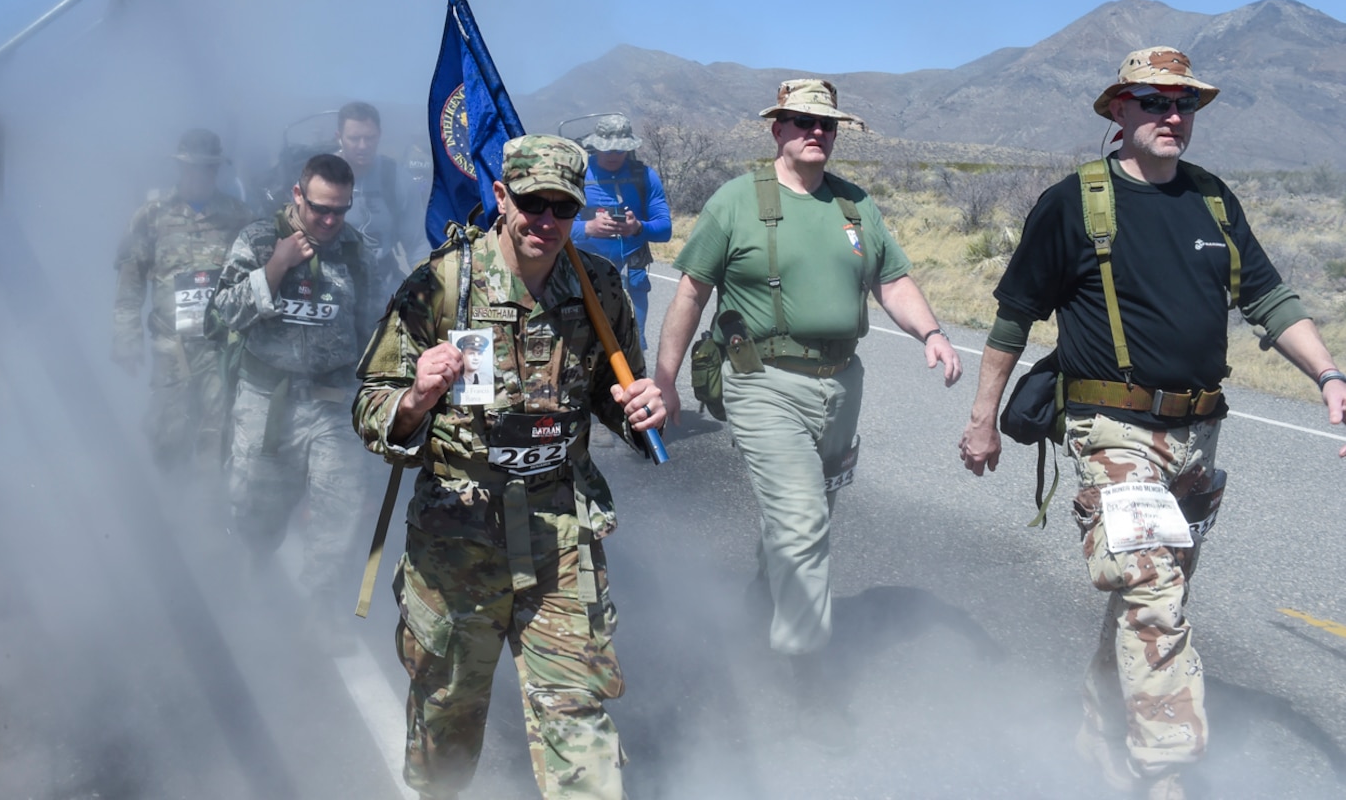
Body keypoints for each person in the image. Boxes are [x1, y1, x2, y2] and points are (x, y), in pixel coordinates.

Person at [958, 47, 1346, 800]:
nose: (1172, 116)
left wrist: (1328, 376)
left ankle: (1098, 748)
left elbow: (1267, 299)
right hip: (1113, 433)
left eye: (1184, 105)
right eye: (1153, 101)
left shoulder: (1210, 200)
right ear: (1117, 110)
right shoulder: (1073, 202)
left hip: (1197, 439)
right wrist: (980, 420)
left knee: (1152, 602)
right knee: (1150, 594)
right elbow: (1013, 319)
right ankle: (1165, 777)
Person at [353, 134, 666, 800]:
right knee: (447, 712)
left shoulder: (597, 286)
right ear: (501, 197)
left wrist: (644, 408)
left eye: (563, 207)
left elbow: (621, 394)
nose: (547, 222)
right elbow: (370, 404)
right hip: (458, 537)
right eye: (532, 204)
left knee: (575, 712)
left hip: (560, 532)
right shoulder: (441, 284)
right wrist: (415, 397)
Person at [653, 79, 962, 747]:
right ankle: (808, 674)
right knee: (800, 521)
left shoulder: (853, 206)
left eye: (824, 124)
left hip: (839, 383)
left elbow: (891, 278)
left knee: (806, 514)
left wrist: (931, 333)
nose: (813, 132)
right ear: (776, 130)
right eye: (799, 121)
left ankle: (758, 613)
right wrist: (665, 381)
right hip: (762, 383)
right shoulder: (737, 202)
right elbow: (690, 293)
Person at [208, 152, 383, 636]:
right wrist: (274, 269)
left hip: (333, 400)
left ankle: (318, 608)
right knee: (255, 505)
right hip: (268, 400)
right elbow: (221, 313)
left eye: (340, 210)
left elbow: (373, 327)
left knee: (338, 508)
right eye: (320, 208)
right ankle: (250, 583)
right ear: (298, 195)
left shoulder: (355, 249)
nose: (330, 220)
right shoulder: (260, 239)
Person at [113, 128, 254, 471]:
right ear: (180, 167)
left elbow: (254, 283)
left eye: (209, 167)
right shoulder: (152, 216)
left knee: (217, 435)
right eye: (193, 166)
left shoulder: (240, 217)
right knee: (169, 434)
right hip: (170, 347)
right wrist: (126, 340)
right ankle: (171, 506)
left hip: (220, 347)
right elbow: (130, 286)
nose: (201, 174)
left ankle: (208, 511)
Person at [569, 113, 672, 344]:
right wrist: (588, 228)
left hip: (632, 276)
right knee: (586, 345)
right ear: (596, 145)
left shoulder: (643, 176)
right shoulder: (578, 176)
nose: (613, 155)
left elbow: (665, 229)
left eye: (619, 149)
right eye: (607, 149)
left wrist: (638, 228)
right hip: (586, 276)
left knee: (633, 342)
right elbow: (555, 228)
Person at [336, 101, 428, 298]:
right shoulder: (322, 177)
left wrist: (429, 291)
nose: (363, 146)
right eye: (354, 138)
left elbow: (417, 243)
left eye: (369, 138)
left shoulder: (397, 179)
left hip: (382, 286)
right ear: (339, 138)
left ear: (380, 135)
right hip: (332, 286)